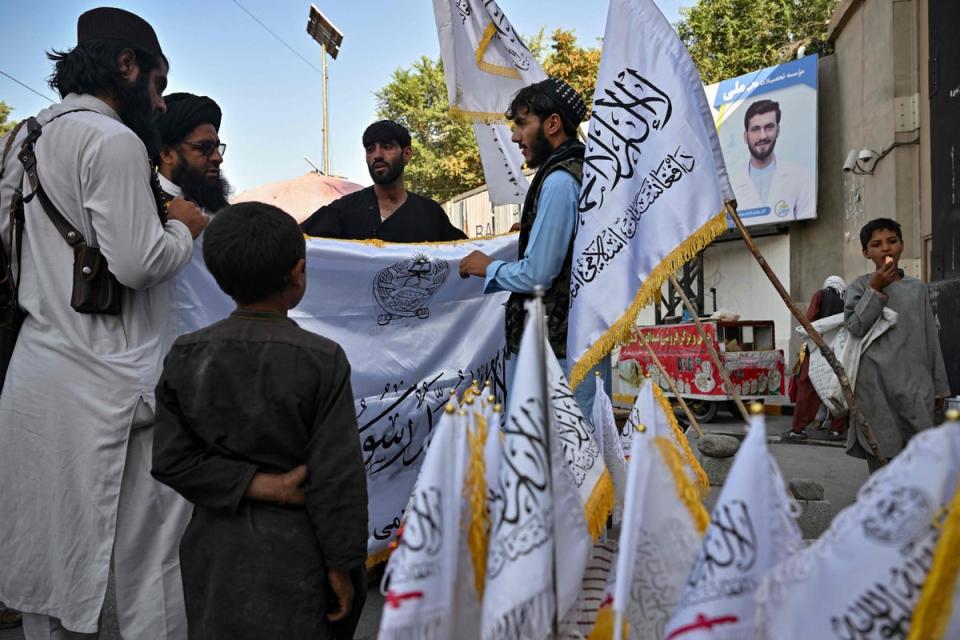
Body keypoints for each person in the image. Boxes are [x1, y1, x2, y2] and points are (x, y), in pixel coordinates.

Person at [0, 8, 208, 639]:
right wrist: (183, 226)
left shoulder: (23, 138)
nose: (160, 98)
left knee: (47, 560)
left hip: (37, 377)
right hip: (115, 385)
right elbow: (143, 264)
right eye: (157, 81)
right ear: (127, 66)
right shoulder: (112, 139)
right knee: (153, 557)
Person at [152, 202, 369, 639]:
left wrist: (250, 484)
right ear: (298, 272)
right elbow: (337, 476)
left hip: (215, 556)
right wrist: (342, 566)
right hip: (297, 556)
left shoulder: (186, 353)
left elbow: (171, 460)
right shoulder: (323, 359)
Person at [458, 78, 610, 416]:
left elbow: (539, 275)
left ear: (552, 124)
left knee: (550, 462)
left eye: (523, 124)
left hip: (554, 358)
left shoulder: (558, 181)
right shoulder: (584, 171)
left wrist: (488, 266)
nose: (515, 137)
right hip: (578, 345)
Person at [845, 218, 949, 473]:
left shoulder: (917, 288)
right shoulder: (860, 285)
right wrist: (875, 289)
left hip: (915, 387)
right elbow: (856, 327)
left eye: (892, 242)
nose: (886, 249)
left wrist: (939, 386)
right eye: (877, 244)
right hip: (875, 389)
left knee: (919, 461)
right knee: (882, 462)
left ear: (902, 246)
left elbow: (930, 337)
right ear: (866, 252)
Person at [300, 119, 467, 242]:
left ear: (407, 154)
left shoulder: (430, 214)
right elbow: (293, 242)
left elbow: (463, 255)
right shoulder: (344, 211)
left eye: (387, 147)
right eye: (370, 149)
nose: (377, 155)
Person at [730, 99, 815, 223]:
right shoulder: (731, 184)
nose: (763, 136)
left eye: (769, 127)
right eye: (756, 129)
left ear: (778, 131)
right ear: (745, 137)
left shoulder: (801, 177)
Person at [788, 276, 847, 441]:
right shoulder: (848, 298)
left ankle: (798, 430)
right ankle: (836, 430)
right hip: (840, 352)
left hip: (818, 350)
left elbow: (809, 321)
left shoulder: (820, 295)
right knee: (838, 389)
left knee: (807, 388)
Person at [155, 92, 230, 212]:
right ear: (167, 154)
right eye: (205, 147)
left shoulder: (226, 213)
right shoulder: (145, 208)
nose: (218, 158)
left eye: (217, 147)